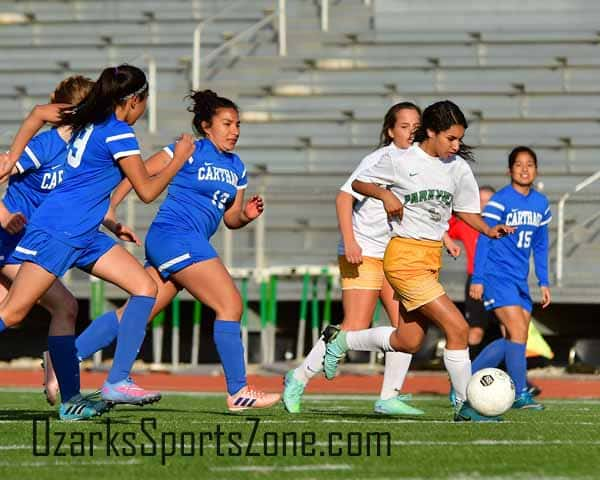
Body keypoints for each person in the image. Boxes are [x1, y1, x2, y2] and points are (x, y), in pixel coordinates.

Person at [47, 89, 281, 412]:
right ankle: (238, 390)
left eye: (238, 124)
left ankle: (64, 355)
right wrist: (111, 207)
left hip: (186, 243)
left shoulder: (237, 168)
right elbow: (138, 171)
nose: (235, 130)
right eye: (227, 123)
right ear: (205, 125)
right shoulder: (190, 150)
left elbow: (230, 218)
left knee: (135, 313)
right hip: (175, 237)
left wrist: (246, 215)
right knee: (231, 304)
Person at [0, 64, 196, 420]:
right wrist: (179, 159)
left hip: (84, 230)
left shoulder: (90, 117)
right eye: (145, 101)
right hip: (59, 230)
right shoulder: (118, 131)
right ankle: (83, 392)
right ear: (134, 100)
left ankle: (114, 381)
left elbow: (38, 114)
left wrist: (110, 219)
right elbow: (148, 191)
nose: (145, 108)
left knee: (143, 287)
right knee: (13, 312)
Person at [320, 100, 514, 422]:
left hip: (428, 261)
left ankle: (342, 339)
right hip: (403, 258)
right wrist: (384, 194)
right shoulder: (401, 160)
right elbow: (358, 184)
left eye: (459, 139)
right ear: (432, 132)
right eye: (450, 138)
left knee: (407, 340)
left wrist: (489, 230)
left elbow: (465, 211)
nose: (456, 145)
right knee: (458, 327)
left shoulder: (458, 168)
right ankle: (465, 406)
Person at [283, 103, 459, 415]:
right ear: (390, 131)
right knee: (356, 324)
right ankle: (297, 378)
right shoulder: (381, 158)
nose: (410, 131)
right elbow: (344, 196)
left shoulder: (420, 163)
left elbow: (424, 208)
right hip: (364, 250)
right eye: (403, 126)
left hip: (398, 256)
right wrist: (350, 241)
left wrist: (444, 236)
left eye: (415, 125)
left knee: (405, 328)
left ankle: (389, 397)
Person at [469, 146, 551, 410]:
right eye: (518, 164)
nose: (525, 169)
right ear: (509, 170)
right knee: (517, 331)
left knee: (515, 338)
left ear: (536, 169)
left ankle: (462, 380)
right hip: (496, 275)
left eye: (530, 164)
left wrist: (544, 281)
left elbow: (540, 245)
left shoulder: (541, 203)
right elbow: (484, 238)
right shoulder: (500, 201)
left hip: (519, 279)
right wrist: (478, 278)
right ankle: (520, 394)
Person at [447, 186, 496, 353]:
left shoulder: (504, 223)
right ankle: (467, 370)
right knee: (475, 330)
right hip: (476, 280)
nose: (484, 205)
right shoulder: (467, 223)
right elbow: (442, 228)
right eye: (480, 201)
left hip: (501, 280)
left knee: (509, 328)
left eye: (488, 201)